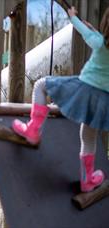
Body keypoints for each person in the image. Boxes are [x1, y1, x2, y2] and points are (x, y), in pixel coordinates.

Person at [12, 6, 109, 193]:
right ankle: (87, 179)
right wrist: (96, 32)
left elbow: (82, 31)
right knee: (88, 135)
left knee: (41, 85)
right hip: (102, 100)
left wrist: (73, 16)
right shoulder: (99, 40)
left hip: (85, 88)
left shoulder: (98, 42)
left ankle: (33, 130)